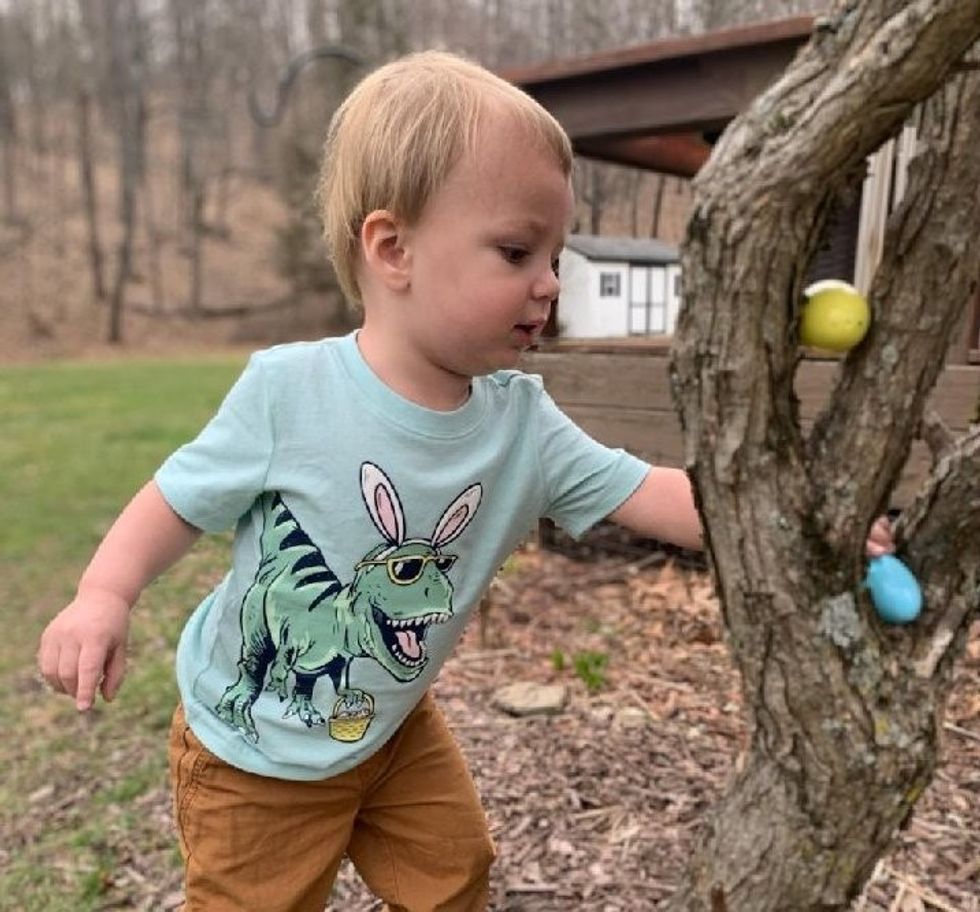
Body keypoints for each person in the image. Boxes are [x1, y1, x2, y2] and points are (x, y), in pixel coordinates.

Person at [37, 51, 896, 912]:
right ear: (393, 248)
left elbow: (653, 493)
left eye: (555, 255)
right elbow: (178, 497)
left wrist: (806, 515)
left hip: (392, 734)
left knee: (455, 874)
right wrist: (104, 594)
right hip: (253, 755)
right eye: (518, 251)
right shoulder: (289, 392)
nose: (551, 283)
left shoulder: (522, 421)